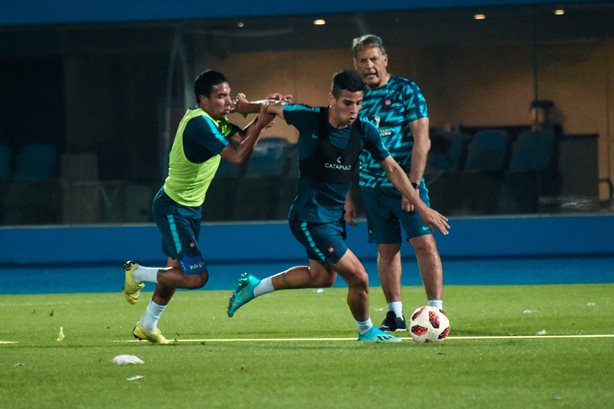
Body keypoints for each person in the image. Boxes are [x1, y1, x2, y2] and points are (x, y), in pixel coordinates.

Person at [226, 70, 449, 343]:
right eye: (347, 103)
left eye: (359, 103)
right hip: (309, 217)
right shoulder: (309, 117)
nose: (354, 110)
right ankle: (366, 330)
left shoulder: (365, 130)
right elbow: (272, 106)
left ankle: (253, 287)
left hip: (332, 219)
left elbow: (392, 169)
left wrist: (422, 207)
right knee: (359, 277)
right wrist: (246, 106)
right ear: (332, 99)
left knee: (321, 277)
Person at [122, 69, 275, 344]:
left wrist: (261, 115)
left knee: (174, 272)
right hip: (173, 208)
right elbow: (238, 157)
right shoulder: (200, 124)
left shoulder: (215, 120)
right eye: (221, 96)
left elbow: (242, 137)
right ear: (204, 100)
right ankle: (137, 272)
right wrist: (261, 120)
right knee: (196, 277)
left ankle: (147, 325)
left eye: (229, 95)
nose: (227, 101)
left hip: (190, 209)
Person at [346, 34, 445, 332]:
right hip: (371, 187)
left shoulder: (406, 90)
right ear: (356, 64)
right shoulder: (355, 98)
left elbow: (422, 141)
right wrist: (348, 196)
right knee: (386, 249)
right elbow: (349, 150)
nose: (369, 66)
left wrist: (412, 186)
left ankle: (435, 312)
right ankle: (395, 315)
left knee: (424, 243)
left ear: (385, 60)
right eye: (363, 61)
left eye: (374, 59)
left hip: (406, 184)